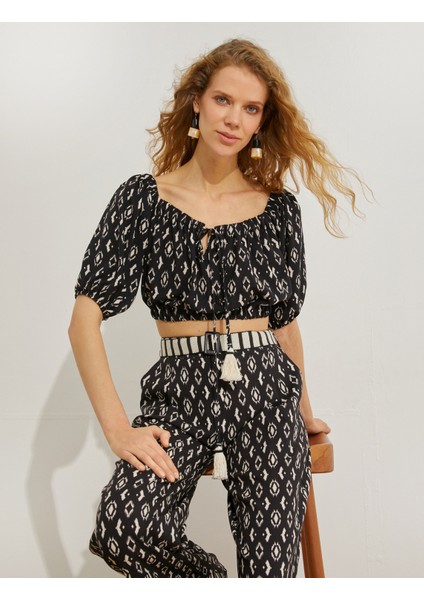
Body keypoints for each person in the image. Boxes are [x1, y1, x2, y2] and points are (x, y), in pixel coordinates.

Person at [68, 38, 367, 578]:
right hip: (178, 393)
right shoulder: (142, 200)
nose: (233, 119)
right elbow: (84, 320)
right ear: (197, 102)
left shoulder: (278, 210)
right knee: (125, 529)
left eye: (251, 108)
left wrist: (302, 412)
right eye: (223, 100)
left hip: (265, 391)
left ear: (261, 123)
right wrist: (117, 429)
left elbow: (284, 326)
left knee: (270, 569)